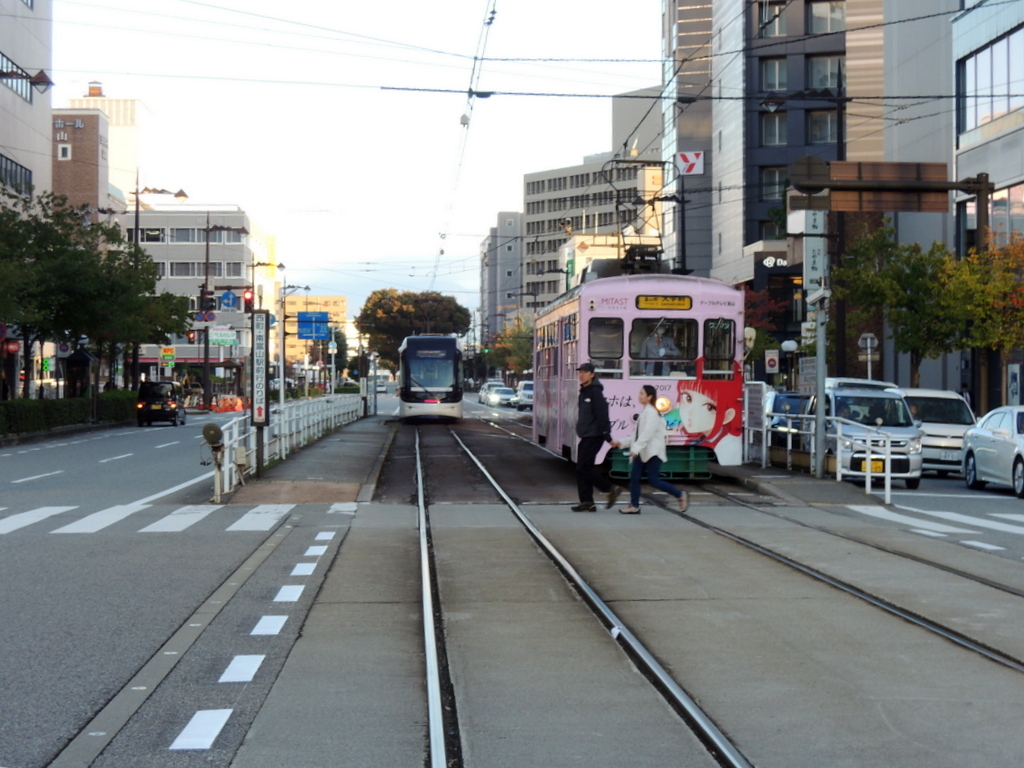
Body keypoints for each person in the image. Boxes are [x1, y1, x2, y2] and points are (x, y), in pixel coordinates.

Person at [611, 385, 688, 514]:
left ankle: (680, 494)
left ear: (649, 397)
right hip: (643, 451)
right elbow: (637, 435)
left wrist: (635, 449)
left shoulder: (652, 413)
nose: (639, 396)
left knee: (654, 481)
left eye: (642, 393)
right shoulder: (645, 412)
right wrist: (621, 443)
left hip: (653, 453)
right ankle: (634, 505)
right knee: (634, 478)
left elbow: (647, 434)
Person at [572, 362, 621, 512]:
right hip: (586, 435)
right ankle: (587, 502)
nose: (581, 375)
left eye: (585, 372)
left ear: (592, 375)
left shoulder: (595, 392)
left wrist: (607, 437)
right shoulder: (584, 392)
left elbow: (602, 415)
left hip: (595, 435)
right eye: (580, 372)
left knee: (583, 467)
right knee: (581, 469)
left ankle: (610, 488)